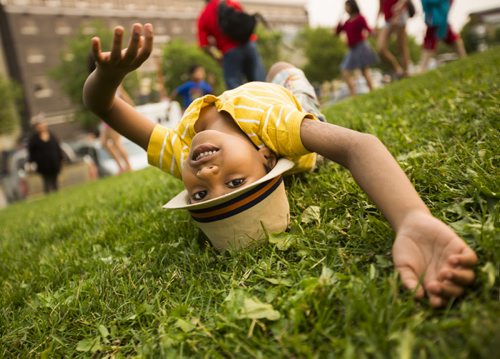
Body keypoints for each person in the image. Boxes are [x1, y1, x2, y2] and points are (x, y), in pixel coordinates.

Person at [83, 23, 477, 308]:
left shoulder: (183, 154)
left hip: (245, 96)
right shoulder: (274, 130)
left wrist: (107, 77)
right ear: (266, 158)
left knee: (266, 72)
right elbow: (359, 148)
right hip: (293, 103)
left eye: (200, 195)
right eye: (236, 182)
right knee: (284, 69)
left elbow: (103, 105)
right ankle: (288, 80)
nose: (207, 176)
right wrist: (410, 218)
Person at [197, 0, 266, 89]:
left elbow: (204, 45)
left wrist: (218, 58)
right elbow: (243, 20)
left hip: (229, 51)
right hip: (249, 45)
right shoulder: (230, 3)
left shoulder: (203, 16)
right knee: (260, 84)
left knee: (235, 87)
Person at [88, 52, 133, 173]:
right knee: (104, 143)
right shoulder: (100, 77)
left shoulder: (110, 76)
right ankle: (121, 166)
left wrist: (130, 104)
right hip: (107, 116)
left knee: (116, 143)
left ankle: (127, 166)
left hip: (114, 112)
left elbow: (121, 92)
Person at [335, 0, 379, 96]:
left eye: (347, 6)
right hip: (352, 49)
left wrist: (374, 33)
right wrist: (340, 18)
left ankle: (372, 91)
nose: (346, 8)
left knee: (364, 71)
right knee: (345, 70)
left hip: (361, 46)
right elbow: (337, 32)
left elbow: (367, 28)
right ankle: (353, 94)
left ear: (352, 6)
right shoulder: (346, 22)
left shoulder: (360, 18)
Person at [419, 0, 466, 72]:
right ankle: (464, 57)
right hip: (435, 17)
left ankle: (422, 68)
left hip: (436, 18)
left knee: (429, 43)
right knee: (453, 40)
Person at [27, 117, 64, 194]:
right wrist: (30, 163)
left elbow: (58, 148)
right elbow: (31, 152)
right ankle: (48, 194)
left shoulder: (52, 135)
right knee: (46, 182)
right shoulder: (34, 139)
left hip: (54, 163)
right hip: (43, 166)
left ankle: (56, 193)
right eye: (39, 125)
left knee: (55, 182)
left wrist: (61, 159)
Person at [376, 0, 412, 78]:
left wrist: (399, 7)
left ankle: (406, 72)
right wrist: (376, 23)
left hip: (400, 15)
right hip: (387, 20)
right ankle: (397, 68)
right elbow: (380, 7)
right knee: (381, 48)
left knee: (401, 46)